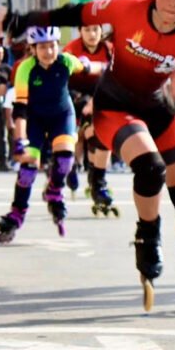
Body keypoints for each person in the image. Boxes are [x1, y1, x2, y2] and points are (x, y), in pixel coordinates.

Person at [4, 0, 175, 315]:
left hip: (163, 111)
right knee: (150, 167)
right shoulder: (125, 9)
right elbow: (75, 12)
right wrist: (29, 18)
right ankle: (147, 235)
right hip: (116, 106)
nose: (174, 3)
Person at [0, 27, 100, 242]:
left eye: (52, 45)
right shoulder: (25, 68)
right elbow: (20, 108)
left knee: (65, 160)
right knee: (28, 169)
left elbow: (88, 66)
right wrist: (19, 139)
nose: (49, 51)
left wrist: (106, 66)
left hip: (62, 116)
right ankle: (17, 212)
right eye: (42, 47)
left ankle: (54, 190)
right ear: (33, 49)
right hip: (35, 120)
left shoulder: (66, 61)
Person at [63, 23, 115, 213]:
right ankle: (73, 166)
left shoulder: (110, 50)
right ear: (80, 32)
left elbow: (116, 77)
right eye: (87, 30)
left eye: (95, 30)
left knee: (101, 136)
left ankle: (98, 181)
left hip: (101, 94)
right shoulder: (72, 49)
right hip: (74, 94)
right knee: (80, 135)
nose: (92, 34)